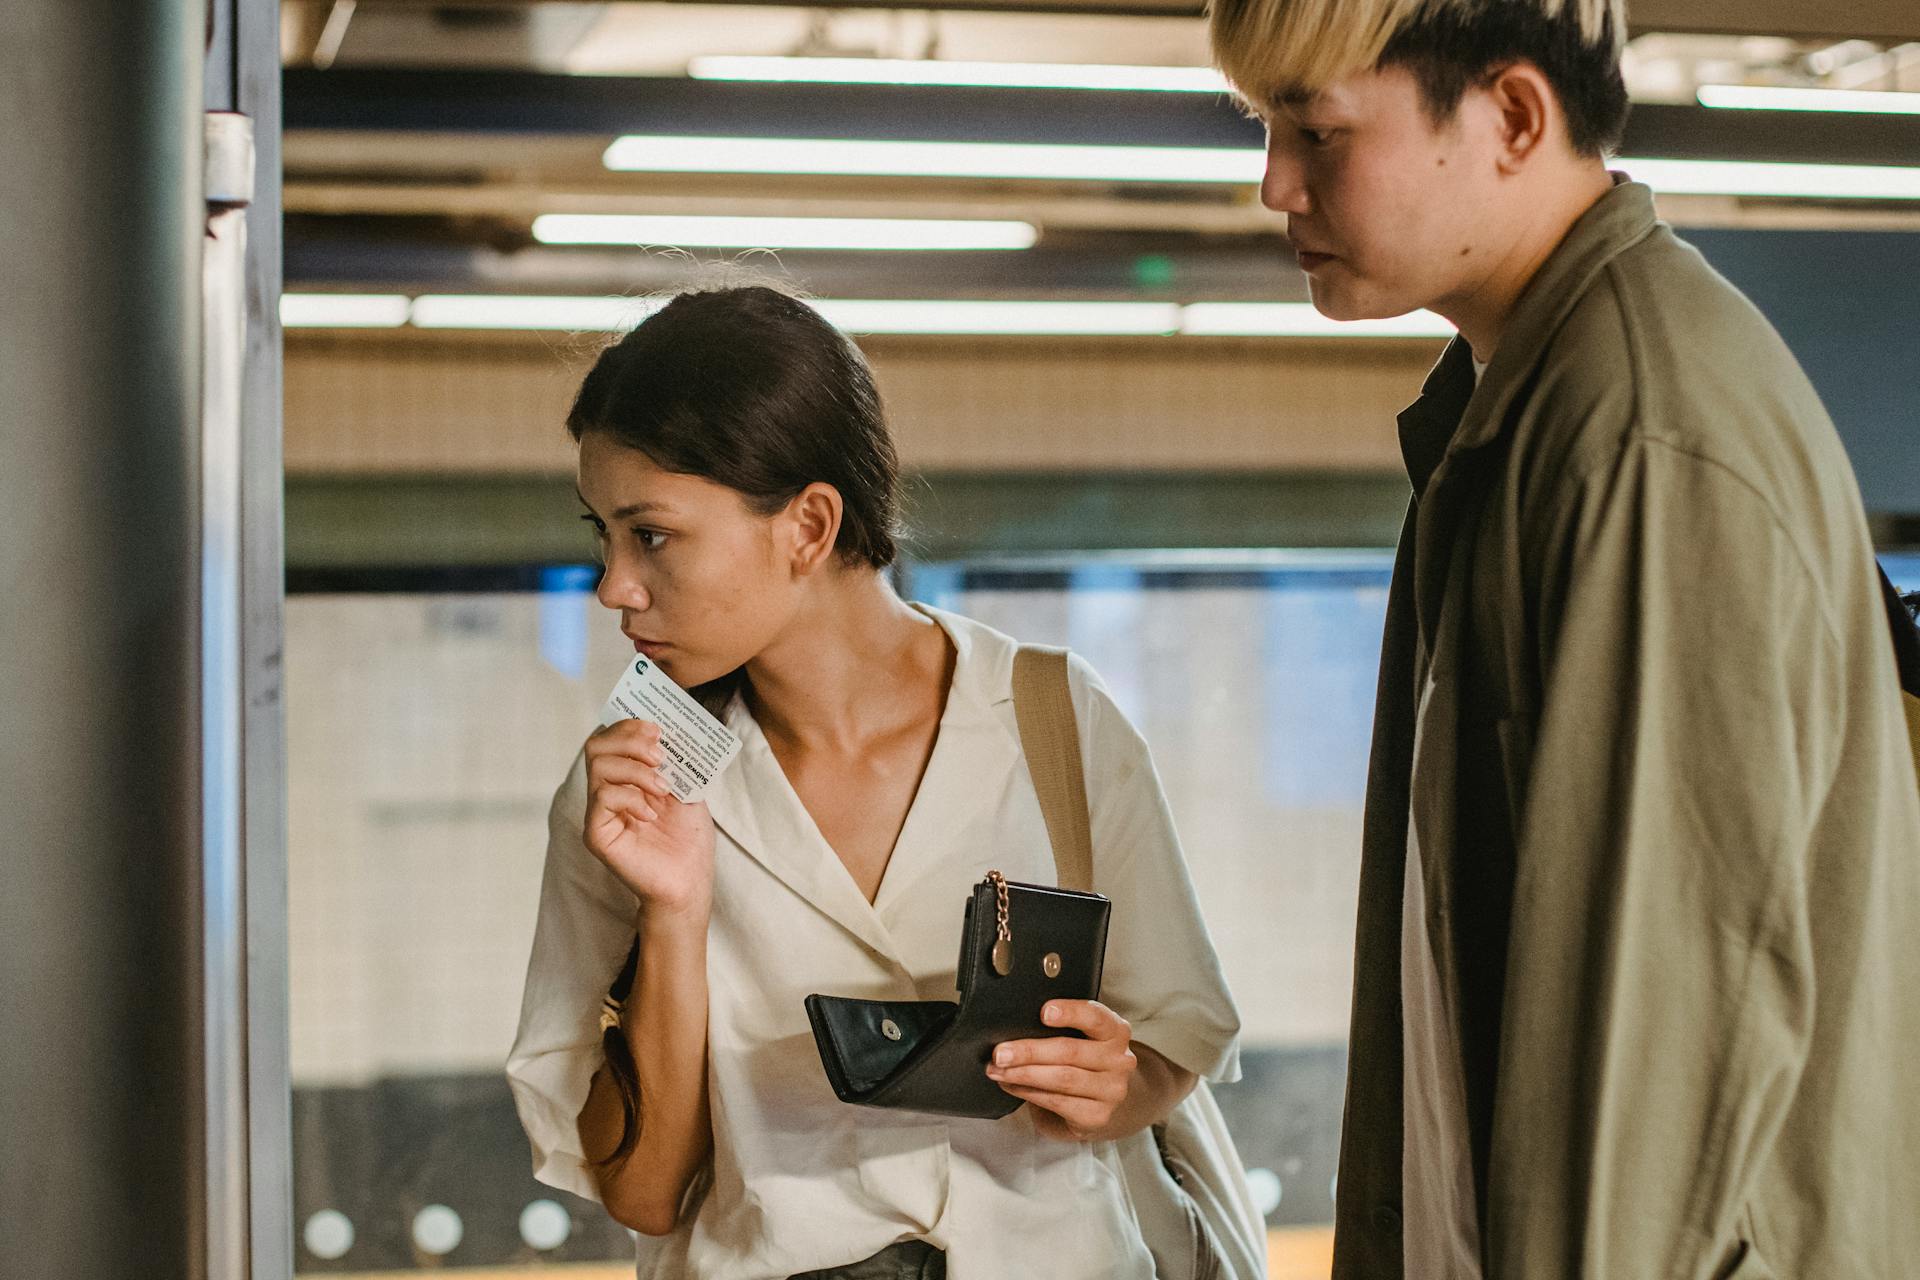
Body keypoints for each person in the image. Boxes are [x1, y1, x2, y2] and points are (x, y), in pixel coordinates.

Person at [1207, 0, 1920, 1275]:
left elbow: (1663, 1037)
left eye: (1316, 132)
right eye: (1267, 129)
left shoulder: (1640, 439)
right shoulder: (1512, 414)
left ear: (1514, 119)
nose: (1275, 184)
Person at [505, 285, 1242, 1280]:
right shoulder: (636, 786)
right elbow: (644, 1192)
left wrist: (1114, 1079)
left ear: (807, 525)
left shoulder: (1055, 720)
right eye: (603, 533)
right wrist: (675, 912)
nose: (613, 584)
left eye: (652, 534)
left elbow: (1171, 1033)